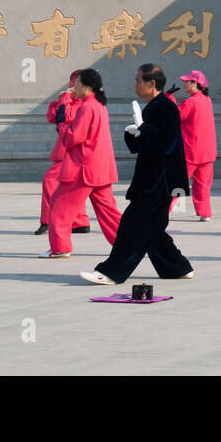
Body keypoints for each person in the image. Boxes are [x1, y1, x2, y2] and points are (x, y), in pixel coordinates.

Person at [80, 63, 194, 285]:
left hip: (159, 182)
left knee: (132, 225)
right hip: (154, 179)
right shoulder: (154, 106)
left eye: (138, 80)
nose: (135, 84)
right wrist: (133, 133)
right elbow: (145, 145)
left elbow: (167, 144)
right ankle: (178, 267)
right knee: (153, 229)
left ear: (151, 83)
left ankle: (112, 272)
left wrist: (145, 129)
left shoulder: (165, 106)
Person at [40, 69, 122, 258]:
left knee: (59, 206)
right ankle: (130, 244)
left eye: (77, 85)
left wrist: (61, 125)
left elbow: (72, 138)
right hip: (99, 168)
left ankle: (60, 248)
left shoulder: (87, 107)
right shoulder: (98, 105)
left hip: (83, 168)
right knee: (109, 213)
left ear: (87, 86)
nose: (73, 88)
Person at [36, 69, 90, 236]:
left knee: (50, 180)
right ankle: (80, 222)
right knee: (73, 186)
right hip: (67, 150)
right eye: (72, 82)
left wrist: (65, 99)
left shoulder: (84, 103)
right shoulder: (71, 100)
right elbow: (53, 117)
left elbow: (68, 116)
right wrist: (58, 101)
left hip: (72, 150)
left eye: (76, 83)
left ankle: (47, 220)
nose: (72, 86)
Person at [170, 69, 216, 221]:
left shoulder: (190, 102)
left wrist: (168, 97)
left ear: (195, 84)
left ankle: (162, 210)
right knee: (203, 185)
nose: (184, 84)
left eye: (186, 81)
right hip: (207, 152)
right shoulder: (206, 100)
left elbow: (173, 116)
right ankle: (205, 213)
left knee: (176, 183)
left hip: (191, 151)